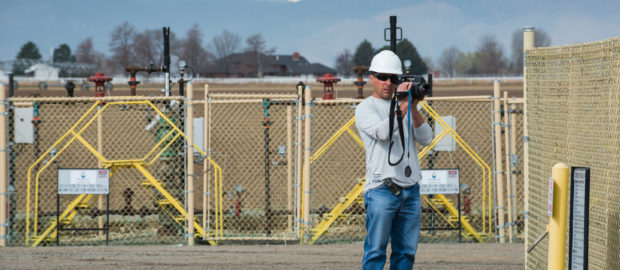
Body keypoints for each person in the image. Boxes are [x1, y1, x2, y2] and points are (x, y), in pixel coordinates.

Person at [355, 50, 433, 269]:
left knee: (406, 253)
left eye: (394, 78)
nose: (388, 83)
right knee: (375, 252)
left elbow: (427, 138)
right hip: (381, 189)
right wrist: (404, 105)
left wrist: (414, 105)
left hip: (411, 191)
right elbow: (383, 132)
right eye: (382, 77)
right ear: (371, 77)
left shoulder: (406, 106)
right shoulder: (365, 108)